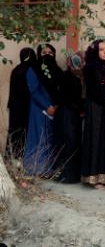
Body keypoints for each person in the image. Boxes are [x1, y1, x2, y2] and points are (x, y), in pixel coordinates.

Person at [81, 40, 105, 189]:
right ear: (95, 52)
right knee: (97, 139)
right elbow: (92, 91)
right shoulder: (90, 68)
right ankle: (95, 178)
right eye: (101, 50)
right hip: (96, 108)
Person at [24, 44, 62, 176]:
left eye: (50, 52)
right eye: (44, 52)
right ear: (39, 54)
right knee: (39, 137)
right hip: (39, 109)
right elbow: (34, 91)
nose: (47, 55)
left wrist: (56, 105)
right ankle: (36, 169)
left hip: (55, 110)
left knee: (51, 138)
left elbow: (60, 90)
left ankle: (49, 169)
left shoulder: (57, 70)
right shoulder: (33, 69)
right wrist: (47, 106)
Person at [54, 51, 85, 183]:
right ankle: (66, 176)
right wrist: (79, 110)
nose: (78, 64)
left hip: (74, 115)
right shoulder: (66, 76)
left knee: (74, 143)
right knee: (69, 143)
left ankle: (73, 175)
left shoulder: (78, 76)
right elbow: (65, 97)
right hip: (67, 115)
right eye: (75, 61)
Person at [6, 48, 35, 159]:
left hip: (15, 108)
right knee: (24, 133)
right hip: (26, 108)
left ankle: (13, 158)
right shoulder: (30, 70)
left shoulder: (16, 69)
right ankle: (23, 159)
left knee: (15, 134)